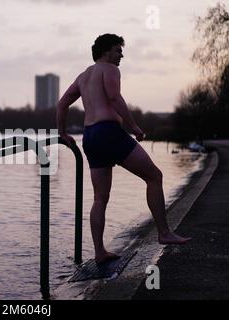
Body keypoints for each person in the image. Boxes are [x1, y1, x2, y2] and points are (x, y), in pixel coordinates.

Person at [56, 33, 191, 265]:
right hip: (109, 132)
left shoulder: (82, 76)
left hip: (90, 137)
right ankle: (164, 233)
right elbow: (114, 97)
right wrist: (134, 127)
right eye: (118, 50)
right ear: (106, 51)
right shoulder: (109, 69)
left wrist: (62, 132)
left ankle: (99, 252)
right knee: (154, 176)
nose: (121, 55)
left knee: (100, 198)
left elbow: (62, 104)